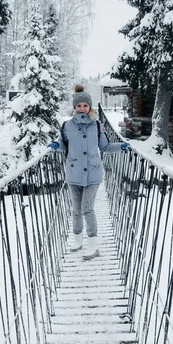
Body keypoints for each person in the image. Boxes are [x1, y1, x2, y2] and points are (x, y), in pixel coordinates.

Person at [48, 85, 130, 260]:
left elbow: (105, 146)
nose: (82, 108)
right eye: (79, 106)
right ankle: (77, 240)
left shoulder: (97, 125)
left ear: (90, 107)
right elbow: (62, 143)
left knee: (87, 209)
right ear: (74, 107)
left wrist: (121, 147)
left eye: (85, 105)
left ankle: (93, 244)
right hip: (73, 173)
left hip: (93, 174)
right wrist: (55, 145)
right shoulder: (67, 126)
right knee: (76, 210)